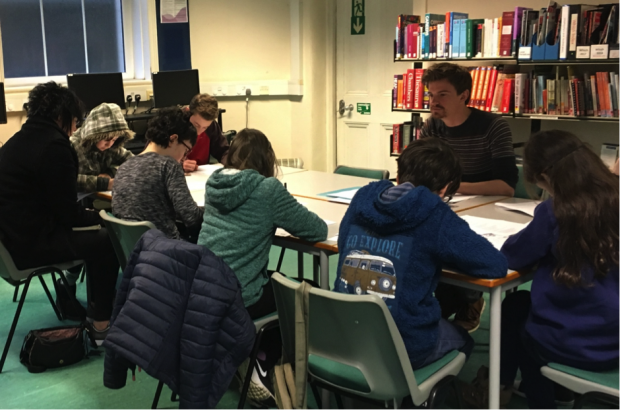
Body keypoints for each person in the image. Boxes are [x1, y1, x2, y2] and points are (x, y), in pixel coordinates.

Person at [333, 138, 507, 371]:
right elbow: (494, 265)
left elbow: (343, 244)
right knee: (463, 340)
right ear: (445, 188)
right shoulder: (435, 215)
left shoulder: (361, 200)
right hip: (405, 344)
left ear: (399, 174)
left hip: (346, 332)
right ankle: (420, 399)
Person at [197, 128, 327, 405]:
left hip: (203, 290)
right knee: (307, 290)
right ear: (267, 159)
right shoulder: (267, 189)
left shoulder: (214, 182)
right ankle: (261, 360)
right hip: (240, 296)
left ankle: (247, 353)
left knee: (274, 279)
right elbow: (316, 230)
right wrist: (281, 201)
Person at [0, 82, 119, 342]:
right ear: (61, 116)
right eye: (75, 121)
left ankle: (80, 302)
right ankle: (101, 325)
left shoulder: (15, 142)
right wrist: (103, 218)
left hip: (10, 243)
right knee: (106, 240)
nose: (75, 128)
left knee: (95, 234)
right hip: (32, 246)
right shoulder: (54, 146)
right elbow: (69, 215)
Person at [419, 62, 519, 332]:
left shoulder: (493, 126)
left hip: (487, 208)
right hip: (447, 205)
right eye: (431, 94)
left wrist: (455, 186)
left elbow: (507, 187)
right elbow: (422, 172)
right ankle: (444, 301)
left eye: (442, 94)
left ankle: (470, 299)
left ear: (464, 96)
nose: (434, 101)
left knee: (462, 244)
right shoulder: (432, 126)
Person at [112, 107, 203, 240]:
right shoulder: (168, 165)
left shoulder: (124, 167)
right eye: (186, 150)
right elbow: (191, 217)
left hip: (134, 252)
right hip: (165, 252)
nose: (183, 158)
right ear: (173, 139)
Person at [71, 102, 134, 193]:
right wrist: (104, 183)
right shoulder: (72, 146)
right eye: (107, 139)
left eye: (114, 139)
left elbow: (133, 162)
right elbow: (65, 178)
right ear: (95, 137)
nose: (110, 144)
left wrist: (110, 172)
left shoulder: (112, 146)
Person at [182, 93, 229, 172]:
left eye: (205, 127)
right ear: (188, 111)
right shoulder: (174, 122)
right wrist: (177, 164)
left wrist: (231, 164)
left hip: (200, 176)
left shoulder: (212, 126)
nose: (199, 132)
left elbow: (223, 151)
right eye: (196, 125)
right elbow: (157, 156)